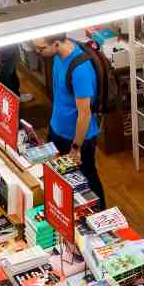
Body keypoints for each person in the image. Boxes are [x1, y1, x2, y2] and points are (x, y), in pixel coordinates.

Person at [34, 36, 107, 206]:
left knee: (88, 179)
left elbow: (85, 114)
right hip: (57, 129)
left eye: (41, 49)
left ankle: (100, 215)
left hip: (77, 138)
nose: (39, 53)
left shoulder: (80, 69)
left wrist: (76, 147)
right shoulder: (58, 57)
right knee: (61, 178)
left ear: (56, 43)